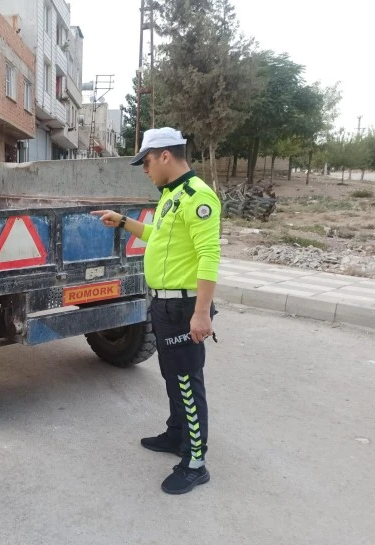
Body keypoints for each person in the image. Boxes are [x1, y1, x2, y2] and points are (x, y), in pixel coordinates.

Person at [92, 127, 221, 495]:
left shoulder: (199, 196)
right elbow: (156, 237)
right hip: (163, 303)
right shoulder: (171, 195)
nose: (144, 169)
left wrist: (202, 313)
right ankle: (177, 433)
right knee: (171, 374)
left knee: (186, 379)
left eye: (146, 161)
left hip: (184, 306)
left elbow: (209, 256)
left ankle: (195, 461)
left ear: (165, 155)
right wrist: (122, 221)